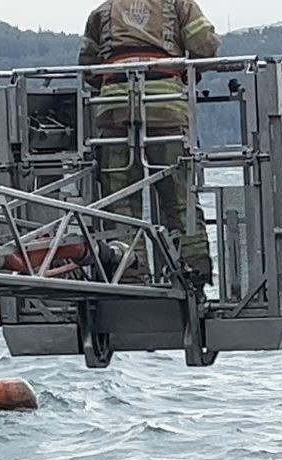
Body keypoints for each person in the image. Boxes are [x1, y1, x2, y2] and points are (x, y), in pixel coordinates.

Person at [79, 0, 222, 285]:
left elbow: (88, 67)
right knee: (180, 200)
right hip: (164, 106)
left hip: (114, 106)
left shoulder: (103, 10)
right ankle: (193, 274)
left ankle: (130, 274)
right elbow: (205, 46)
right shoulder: (179, 4)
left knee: (119, 201)